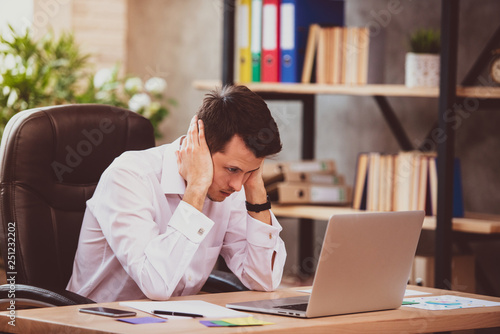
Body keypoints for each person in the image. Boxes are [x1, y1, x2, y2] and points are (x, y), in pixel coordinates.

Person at [67, 85, 287, 302]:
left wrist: (256, 191)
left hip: (172, 322)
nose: (238, 185)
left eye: (250, 171)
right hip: (97, 321)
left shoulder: (232, 185)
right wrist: (196, 189)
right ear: (199, 147)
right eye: (232, 169)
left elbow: (264, 279)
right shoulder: (129, 176)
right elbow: (156, 285)